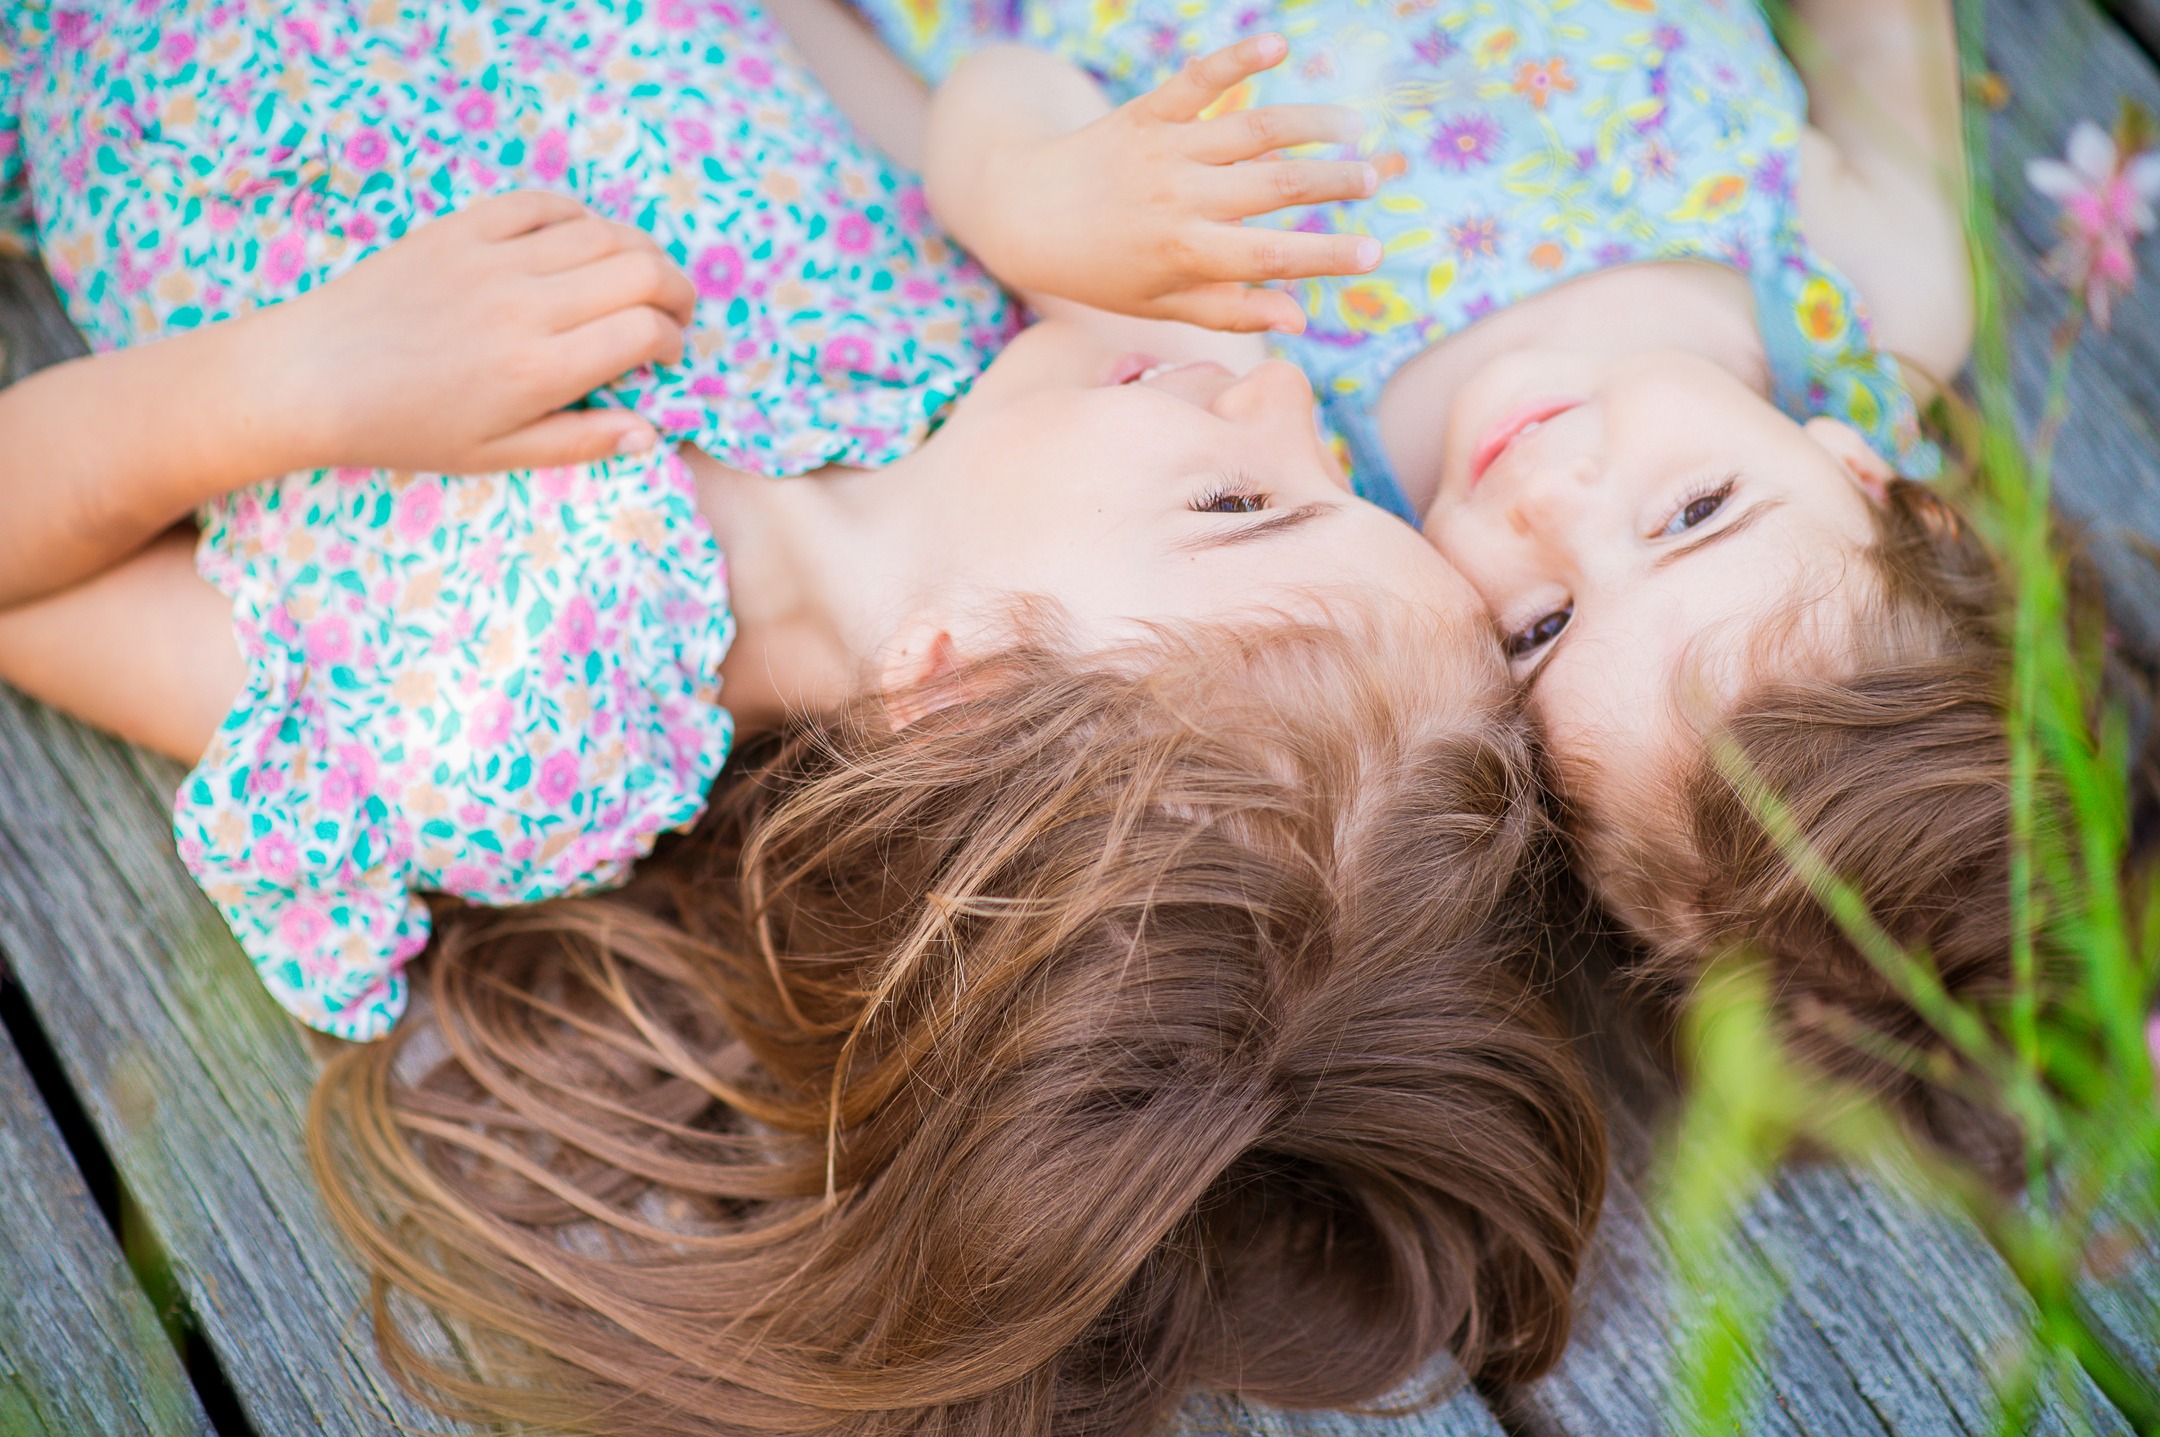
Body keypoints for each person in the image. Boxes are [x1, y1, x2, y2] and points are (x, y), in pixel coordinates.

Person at [0, 3, 1609, 1428]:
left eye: (1248, 498)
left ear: (959, 675)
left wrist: (289, 383)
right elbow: (871, 44)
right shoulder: (989, 351)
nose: (1270, 387)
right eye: (1329, 473)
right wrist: (1022, 186)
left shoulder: (510, 719)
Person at [829, 0, 2007, 1131]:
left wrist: (1018, 199)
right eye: (1695, 511)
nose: (1547, 500)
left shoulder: (1277, 448)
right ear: (1876, 486)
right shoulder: (1879, 290)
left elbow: (994, 115)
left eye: (1539, 627)